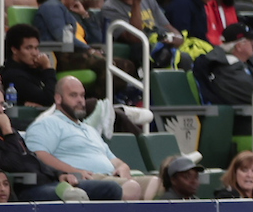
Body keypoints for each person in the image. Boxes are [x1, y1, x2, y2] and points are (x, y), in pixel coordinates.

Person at [19, 74, 164, 200]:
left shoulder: (89, 129)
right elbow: (39, 155)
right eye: (73, 95)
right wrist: (72, 170)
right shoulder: (48, 123)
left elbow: (111, 158)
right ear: (58, 98)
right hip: (83, 179)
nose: (80, 100)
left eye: (82, 95)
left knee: (158, 184)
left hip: (110, 177)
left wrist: (123, 167)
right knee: (131, 188)